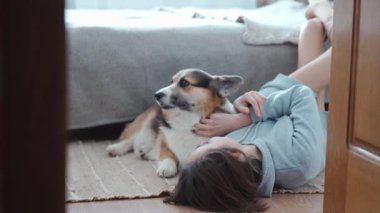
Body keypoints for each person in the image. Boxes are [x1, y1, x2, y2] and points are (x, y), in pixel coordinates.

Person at [163, 1, 334, 212]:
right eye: (203, 146)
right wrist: (241, 118)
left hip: (283, 98)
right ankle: (322, 9)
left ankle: (319, 12)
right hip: (307, 113)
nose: (204, 141)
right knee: (357, 43)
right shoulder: (298, 162)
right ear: (234, 155)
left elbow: (255, 109)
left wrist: (239, 104)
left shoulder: (239, 153)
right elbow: (302, 94)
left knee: (312, 28)